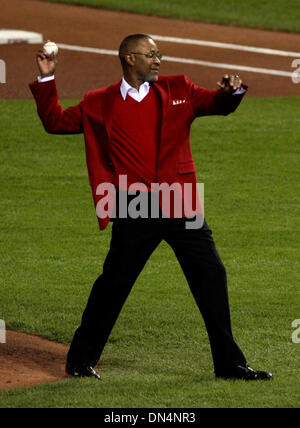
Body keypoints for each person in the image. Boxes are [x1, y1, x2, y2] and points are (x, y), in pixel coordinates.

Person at [30, 34, 273, 381]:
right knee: (114, 284)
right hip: (134, 205)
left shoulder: (179, 90)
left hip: (180, 201)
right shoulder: (99, 102)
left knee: (211, 277)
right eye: (151, 54)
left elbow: (218, 104)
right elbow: (55, 122)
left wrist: (231, 91)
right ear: (130, 59)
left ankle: (230, 364)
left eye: (159, 54)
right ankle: (81, 361)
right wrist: (46, 77)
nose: (158, 60)